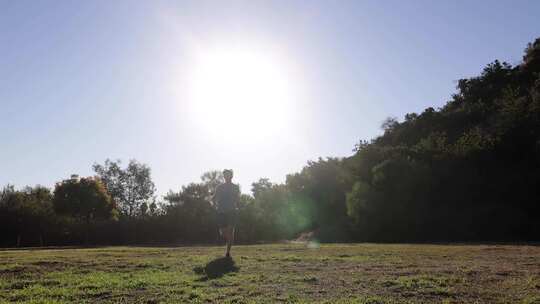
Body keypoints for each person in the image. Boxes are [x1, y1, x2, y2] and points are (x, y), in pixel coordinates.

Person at [213, 169, 240, 258]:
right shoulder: (220, 187)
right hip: (221, 212)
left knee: (231, 231)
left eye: (228, 175)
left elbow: (238, 199)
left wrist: (238, 206)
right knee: (223, 232)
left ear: (231, 176)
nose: (226, 176)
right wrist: (214, 205)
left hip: (232, 211)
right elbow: (214, 198)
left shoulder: (235, 187)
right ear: (224, 176)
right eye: (225, 175)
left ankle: (228, 252)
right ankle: (228, 239)